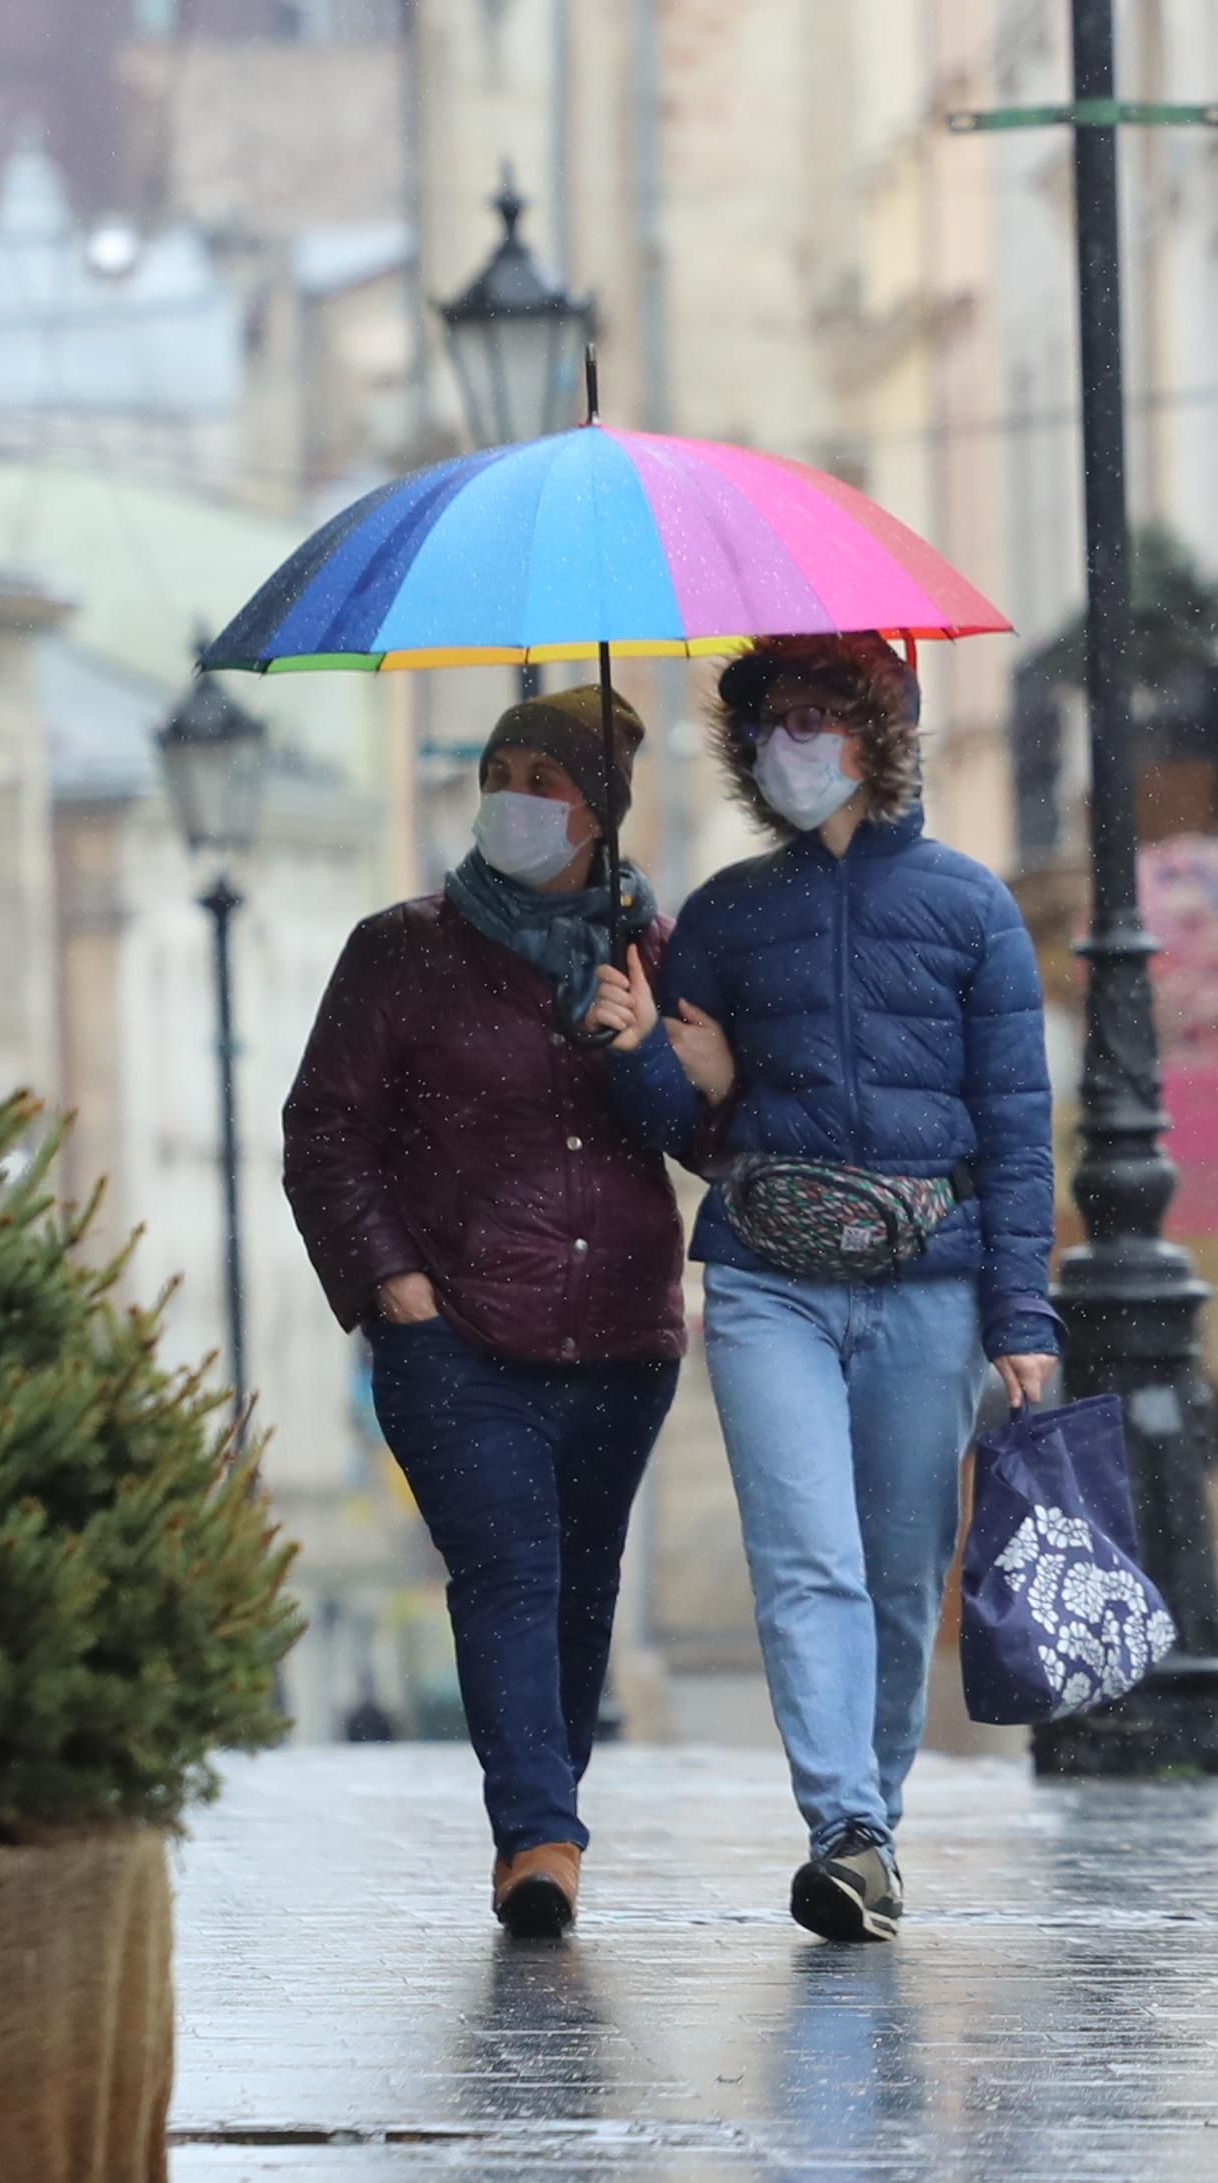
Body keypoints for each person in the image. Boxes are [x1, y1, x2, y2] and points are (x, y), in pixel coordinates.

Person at [602, 631, 1060, 1947]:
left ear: (878, 730)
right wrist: (650, 1056)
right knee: (804, 1559)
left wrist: (1018, 1316)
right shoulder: (726, 915)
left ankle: (875, 1819)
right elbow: (682, 1128)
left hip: (927, 1285)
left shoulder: (971, 910)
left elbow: (1014, 1125)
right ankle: (842, 1828)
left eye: (815, 715)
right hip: (766, 1282)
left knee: (902, 1570)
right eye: (768, 722)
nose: (788, 743)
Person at [280, 686, 684, 1942]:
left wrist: (645, 1047)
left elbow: (710, 1132)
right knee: (504, 1570)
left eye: (546, 778)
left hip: (621, 1329)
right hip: (456, 1333)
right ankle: (537, 1840)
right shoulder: (400, 947)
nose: (515, 793)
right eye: (500, 768)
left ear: (598, 811)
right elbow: (323, 1130)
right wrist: (391, 1285)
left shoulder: (654, 953)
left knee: (580, 1588)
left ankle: (543, 1808)